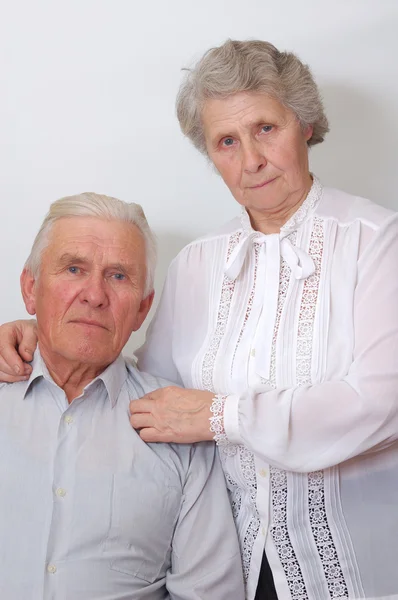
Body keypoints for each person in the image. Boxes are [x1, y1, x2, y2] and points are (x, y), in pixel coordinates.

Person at [1, 39, 398, 600]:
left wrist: (222, 416)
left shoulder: (379, 243)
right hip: (224, 561)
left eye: (266, 128)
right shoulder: (197, 264)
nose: (251, 160)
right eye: (227, 142)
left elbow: (381, 404)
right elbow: (142, 393)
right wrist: (36, 341)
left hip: (354, 568)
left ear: (304, 124)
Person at [0, 192, 244, 600]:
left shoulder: (178, 425)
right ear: (30, 288)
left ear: (142, 309)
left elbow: (210, 593)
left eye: (118, 276)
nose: (94, 295)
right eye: (74, 268)